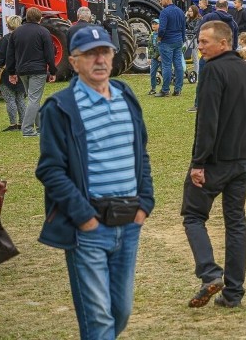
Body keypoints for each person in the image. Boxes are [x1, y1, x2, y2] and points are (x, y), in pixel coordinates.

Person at [36, 25, 154, 339]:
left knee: (121, 311)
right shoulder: (60, 108)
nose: (99, 60)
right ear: (74, 62)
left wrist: (145, 203)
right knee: (98, 319)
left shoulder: (126, 95)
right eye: (90, 54)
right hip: (89, 228)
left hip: (129, 223)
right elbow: (50, 170)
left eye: (104, 51)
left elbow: (140, 152)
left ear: (113, 56)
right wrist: (84, 218)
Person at [182, 21, 246, 309]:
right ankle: (233, 293)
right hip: (241, 161)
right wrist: (245, 149)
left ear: (224, 43)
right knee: (236, 223)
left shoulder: (213, 70)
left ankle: (210, 272)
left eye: (205, 42)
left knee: (192, 215)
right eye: (199, 42)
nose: (200, 47)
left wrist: (198, 163)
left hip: (215, 161)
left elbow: (207, 121)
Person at [6, 7, 57, 137]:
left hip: (22, 70)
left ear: (26, 17)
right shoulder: (43, 31)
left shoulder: (16, 33)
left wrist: (11, 72)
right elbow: (49, 54)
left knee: (34, 99)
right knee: (34, 99)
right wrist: (52, 71)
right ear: (40, 18)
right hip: (38, 70)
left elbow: (10, 54)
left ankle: (41, 128)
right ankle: (27, 129)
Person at [0, 15, 25, 132]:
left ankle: (13, 124)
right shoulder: (24, 38)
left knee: (10, 99)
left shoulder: (6, 39)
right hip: (22, 72)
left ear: (9, 25)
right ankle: (22, 123)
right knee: (20, 99)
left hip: (7, 72)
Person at [156, 0, 186, 97]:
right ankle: (178, 89)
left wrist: (159, 38)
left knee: (167, 65)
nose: (160, 2)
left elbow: (162, 29)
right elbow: (183, 28)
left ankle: (165, 90)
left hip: (167, 41)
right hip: (178, 40)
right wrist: (183, 39)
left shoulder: (164, 12)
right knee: (178, 65)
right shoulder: (180, 11)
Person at [186, 5, 202, 73]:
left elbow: (195, 31)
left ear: (194, 11)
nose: (189, 12)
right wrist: (185, 16)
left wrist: (186, 31)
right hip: (189, 38)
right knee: (186, 55)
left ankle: (196, 72)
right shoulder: (189, 19)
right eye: (189, 11)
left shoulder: (199, 19)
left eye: (191, 11)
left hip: (195, 39)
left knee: (195, 56)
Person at [147, 19, 160, 95]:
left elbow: (163, 46)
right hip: (154, 57)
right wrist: (149, 57)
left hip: (162, 57)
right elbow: (150, 47)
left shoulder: (162, 34)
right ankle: (153, 88)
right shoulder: (151, 35)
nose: (154, 25)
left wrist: (161, 55)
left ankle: (166, 88)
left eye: (156, 24)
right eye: (153, 24)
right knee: (152, 73)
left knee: (165, 73)